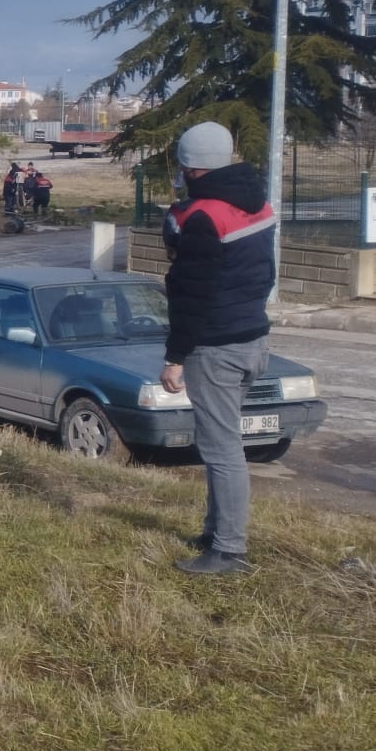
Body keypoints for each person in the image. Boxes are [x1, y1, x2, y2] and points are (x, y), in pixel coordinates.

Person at [161, 120, 275, 575]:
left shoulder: (202, 217)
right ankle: (214, 530)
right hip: (253, 338)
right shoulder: (258, 204)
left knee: (222, 450)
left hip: (216, 347)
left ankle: (228, 550)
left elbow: (191, 294)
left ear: (191, 168)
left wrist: (174, 358)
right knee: (221, 443)